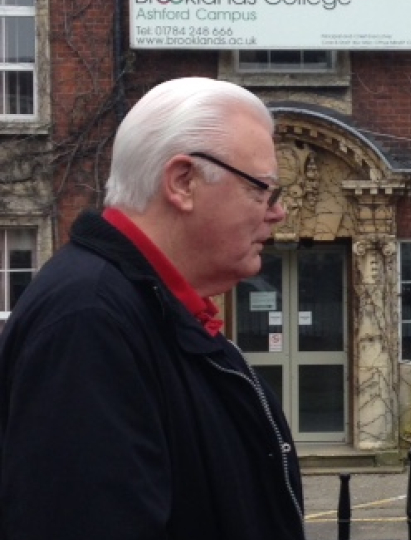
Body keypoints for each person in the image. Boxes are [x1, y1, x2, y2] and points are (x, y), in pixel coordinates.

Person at [0, 77, 306, 540]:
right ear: (183, 182)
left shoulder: (150, 310)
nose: (276, 212)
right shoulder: (90, 321)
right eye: (262, 189)